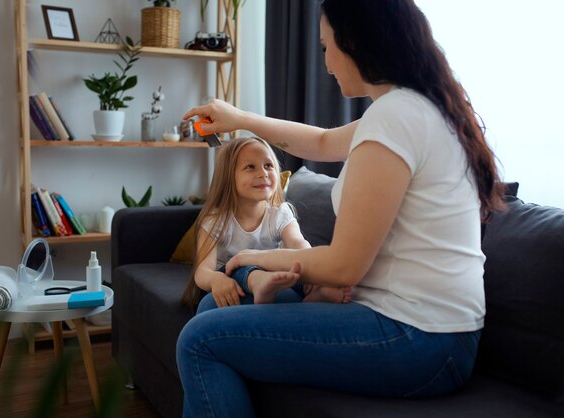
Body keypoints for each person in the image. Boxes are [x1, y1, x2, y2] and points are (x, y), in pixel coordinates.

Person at [176, 0, 505, 416]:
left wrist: (251, 256)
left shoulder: (397, 116)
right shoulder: (412, 108)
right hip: (433, 331)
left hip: (421, 338)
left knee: (199, 339)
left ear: (355, 44)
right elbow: (321, 141)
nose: (327, 62)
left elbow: (345, 267)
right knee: (214, 305)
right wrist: (238, 117)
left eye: (327, 47)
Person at [181, 136, 352, 310]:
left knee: (294, 266)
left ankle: (316, 291)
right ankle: (258, 282)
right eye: (250, 167)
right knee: (242, 266)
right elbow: (203, 272)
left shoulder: (280, 212)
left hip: (271, 276)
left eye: (268, 165)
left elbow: (298, 244)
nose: (263, 173)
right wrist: (217, 280)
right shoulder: (216, 220)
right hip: (227, 280)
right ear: (228, 178)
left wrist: (315, 272)